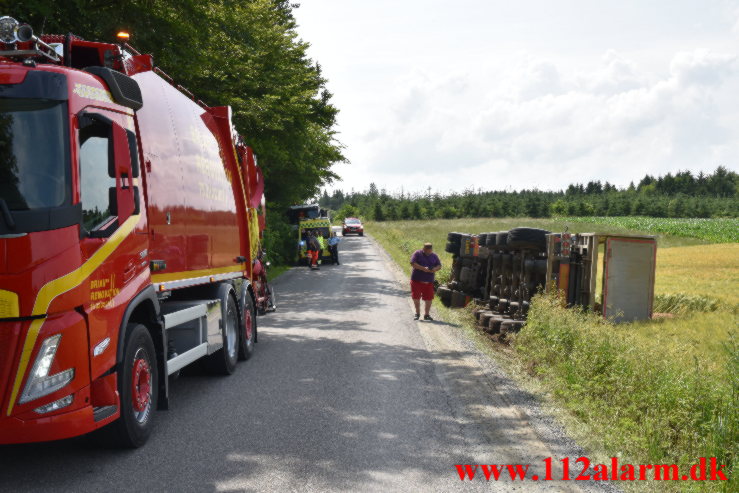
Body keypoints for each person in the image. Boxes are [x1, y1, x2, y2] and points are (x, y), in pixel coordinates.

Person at [410, 242, 441, 320]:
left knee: (429, 298)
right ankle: (417, 313)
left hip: (429, 282)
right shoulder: (417, 253)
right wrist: (424, 268)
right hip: (416, 280)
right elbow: (413, 263)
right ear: (423, 249)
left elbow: (439, 265)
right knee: (416, 297)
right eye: (427, 251)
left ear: (431, 249)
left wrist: (434, 269)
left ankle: (426, 315)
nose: (429, 252)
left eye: (430, 251)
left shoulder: (434, 256)